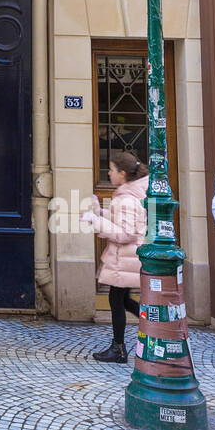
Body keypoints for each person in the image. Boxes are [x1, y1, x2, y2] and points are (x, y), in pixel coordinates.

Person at [82, 150, 148, 364]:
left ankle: (119, 348)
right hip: (126, 259)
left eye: (111, 170)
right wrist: (100, 213)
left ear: (122, 173)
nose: (108, 174)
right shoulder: (130, 194)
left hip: (124, 259)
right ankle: (151, 329)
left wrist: (95, 220)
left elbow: (125, 233)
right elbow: (121, 221)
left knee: (117, 299)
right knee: (122, 299)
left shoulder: (127, 197)